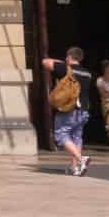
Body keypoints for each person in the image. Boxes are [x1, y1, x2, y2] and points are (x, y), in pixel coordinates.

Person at [42, 47, 95, 177]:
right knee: (76, 138)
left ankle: (81, 158)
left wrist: (63, 63)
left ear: (69, 57)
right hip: (83, 111)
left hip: (69, 109)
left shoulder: (66, 69)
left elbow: (45, 62)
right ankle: (75, 167)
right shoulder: (87, 73)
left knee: (61, 134)